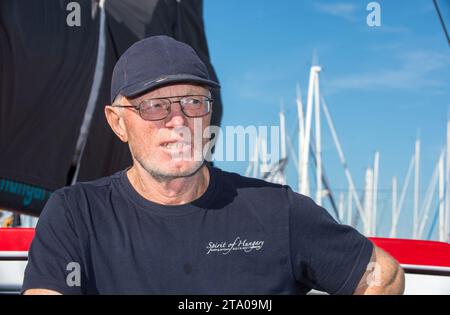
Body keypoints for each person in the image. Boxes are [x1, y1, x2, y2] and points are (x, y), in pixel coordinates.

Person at [22, 36, 404, 295]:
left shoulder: (279, 212)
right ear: (118, 122)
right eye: (154, 106)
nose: (178, 121)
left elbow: (383, 276)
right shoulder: (76, 215)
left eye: (193, 102)